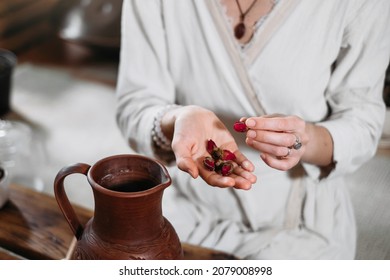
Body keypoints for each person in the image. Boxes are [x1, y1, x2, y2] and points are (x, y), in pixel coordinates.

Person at [115, 0, 390, 259]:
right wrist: (177, 120)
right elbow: (135, 105)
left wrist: (305, 140)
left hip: (301, 221)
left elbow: (363, 122)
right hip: (183, 205)